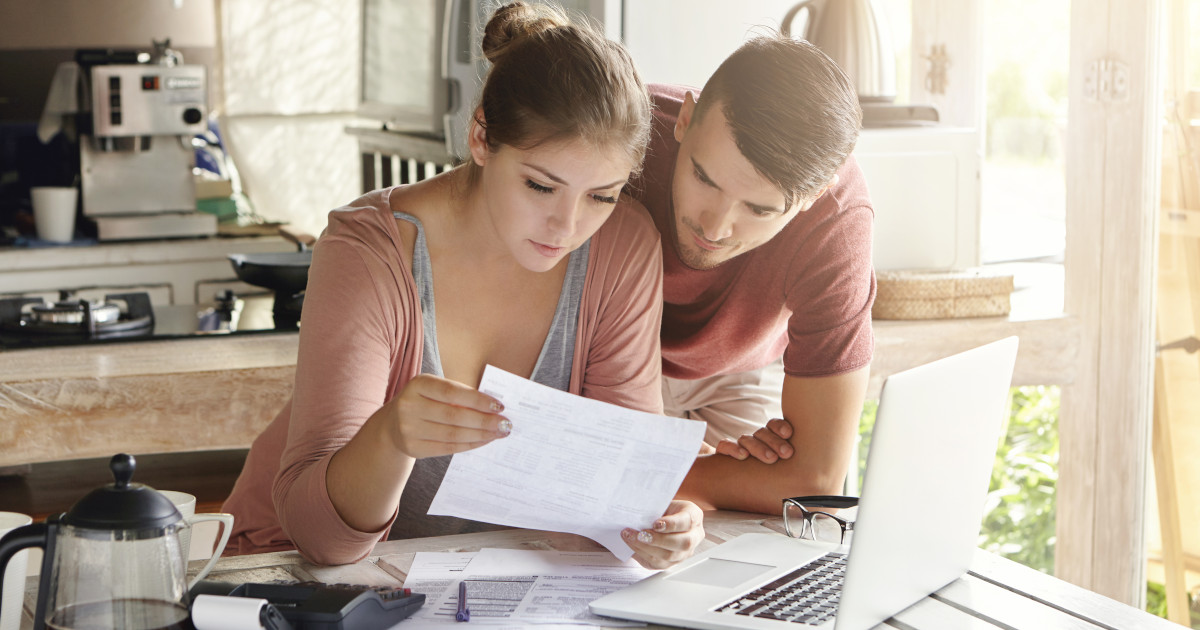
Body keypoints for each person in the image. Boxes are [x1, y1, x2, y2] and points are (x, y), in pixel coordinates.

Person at [221, 2, 703, 570]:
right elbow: (322, 543)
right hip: (294, 573)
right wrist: (390, 438)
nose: (567, 226)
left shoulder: (623, 245)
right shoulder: (368, 251)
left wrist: (657, 524)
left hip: (480, 584)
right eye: (541, 186)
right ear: (480, 137)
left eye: (601, 195)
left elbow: (613, 492)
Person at [628, 36, 876, 514]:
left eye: (759, 208)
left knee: (759, 542)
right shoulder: (622, 130)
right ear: (684, 118)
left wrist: (652, 471)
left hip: (739, 372)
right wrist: (687, 472)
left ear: (812, 197)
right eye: (704, 177)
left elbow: (816, 483)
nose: (713, 227)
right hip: (607, 361)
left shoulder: (838, 220)